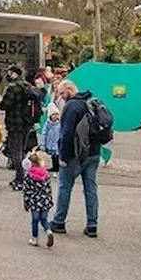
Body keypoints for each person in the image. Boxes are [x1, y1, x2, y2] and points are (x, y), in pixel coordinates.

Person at [51, 80, 102, 238]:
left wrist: (63, 156)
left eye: (61, 93)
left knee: (65, 186)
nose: (60, 97)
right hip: (93, 152)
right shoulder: (91, 102)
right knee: (90, 189)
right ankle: (92, 225)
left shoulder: (72, 107)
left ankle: (59, 222)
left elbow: (66, 134)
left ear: (68, 90)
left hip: (74, 154)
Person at [0, 65, 39, 190]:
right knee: (22, 150)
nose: (8, 75)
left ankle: (21, 179)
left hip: (14, 123)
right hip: (27, 123)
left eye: (9, 73)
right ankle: (20, 177)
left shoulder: (12, 88)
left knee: (15, 152)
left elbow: (4, 105)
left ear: (14, 74)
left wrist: (0, 100)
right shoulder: (27, 86)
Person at [22, 150, 55, 248]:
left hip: (34, 201)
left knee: (35, 220)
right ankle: (48, 232)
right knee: (44, 220)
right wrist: (49, 200)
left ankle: (34, 238)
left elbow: (26, 191)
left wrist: (26, 203)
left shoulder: (29, 176)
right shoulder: (45, 174)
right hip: (45, 200)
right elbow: (49, 189)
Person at [40, 103, 61, 174]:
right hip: (50, 142)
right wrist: (43, 143)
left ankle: (57, 167)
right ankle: (54, 167)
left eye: (57, 114)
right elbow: (44, 133)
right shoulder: (48, 124)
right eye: (53, 114)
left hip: (57, 143)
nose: (55, 116)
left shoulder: (60, 124)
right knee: (52, 156)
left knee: (57, 156)